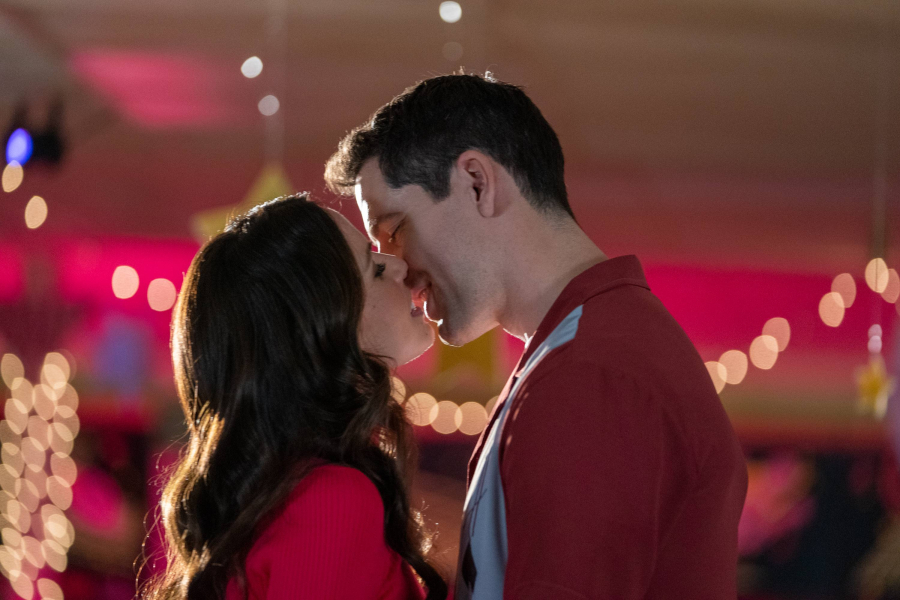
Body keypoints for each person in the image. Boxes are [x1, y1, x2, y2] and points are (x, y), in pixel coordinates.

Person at [325, 73, 749, 599]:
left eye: (395, 230)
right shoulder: (582, 352)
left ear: (477, 182)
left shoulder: (591, 374)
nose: (400, 270)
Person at [141, 194, 447, 600]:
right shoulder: (330, 500)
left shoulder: (290, 492)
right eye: (374, 268)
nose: (399, 265)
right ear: (318, 329)